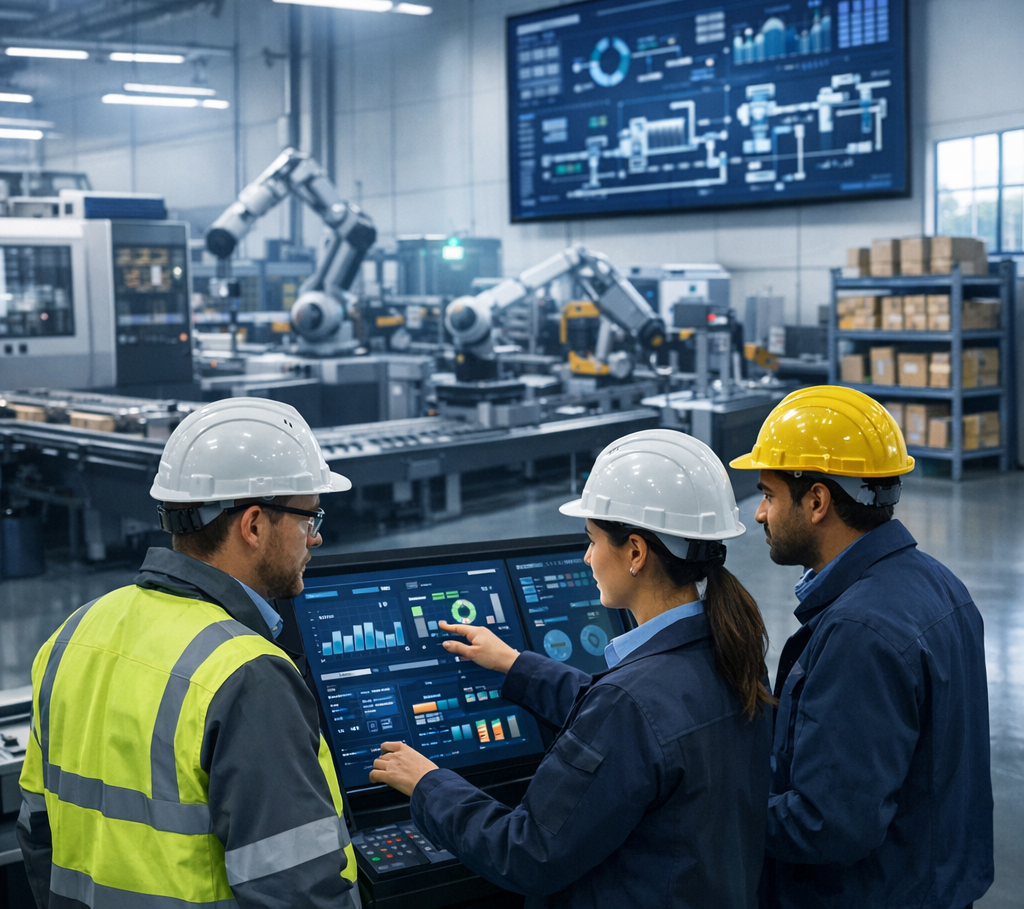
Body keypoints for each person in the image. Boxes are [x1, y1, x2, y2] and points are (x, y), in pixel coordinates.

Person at [369, 429, 774, 908]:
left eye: (592, 540)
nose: (586, 557)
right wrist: (516, 665)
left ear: (636, 552)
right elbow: (644, 729)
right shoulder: (733, 653)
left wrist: (428, 784)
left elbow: (525, 852)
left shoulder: (629, 703)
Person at [17, 396, 362, 909]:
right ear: (253, 525)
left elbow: (37, 832)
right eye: (309, 518)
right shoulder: (247, 675)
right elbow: (298, 892)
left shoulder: (72, 635)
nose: (314, 539)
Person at [729, 385, 993, 909]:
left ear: (817, 501)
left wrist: (711, 811)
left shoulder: (860, 631)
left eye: (769, 495)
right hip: (927, 881)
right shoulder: (938, 583)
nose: (759, 514)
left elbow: (828, 824)